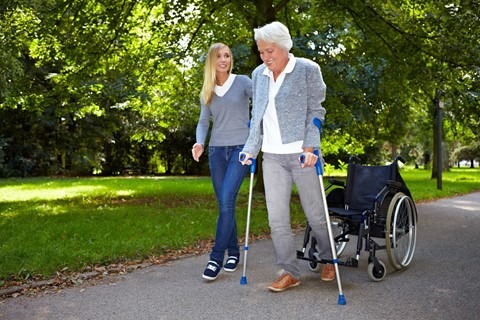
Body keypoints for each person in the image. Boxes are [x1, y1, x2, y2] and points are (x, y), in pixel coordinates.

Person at [239, 21, 334, 292]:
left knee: (315, 214)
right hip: (272, 157)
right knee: (277, 219)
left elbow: (316, 112)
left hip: (303, 155)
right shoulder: (259, 75)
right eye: (261, 52)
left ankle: (329, 258)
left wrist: (310, 147)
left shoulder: (306, 70)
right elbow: (256, 117)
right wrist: (250, 149)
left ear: (284, 46)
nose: (266, 57)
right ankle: (289, 271)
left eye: (270, 51)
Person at [192, 43, 252, 281]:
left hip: (240, 150)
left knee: (227, 200)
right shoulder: (207, 90)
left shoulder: (244, 82)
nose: (224, 60)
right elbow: (203, 122)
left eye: (227, 55)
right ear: (211, 61)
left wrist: (255, 135)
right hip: (216, 152)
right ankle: (234, 252)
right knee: (224, 203)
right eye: (219, 56)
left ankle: (216, 258)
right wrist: (199, 143)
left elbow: (264, 102)